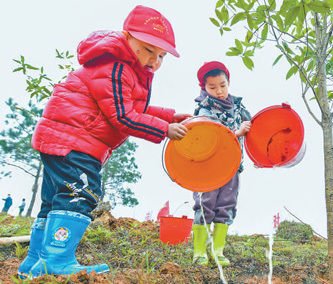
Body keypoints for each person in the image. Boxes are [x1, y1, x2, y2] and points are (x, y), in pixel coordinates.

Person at [18, 5, 189, 279]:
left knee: (54, 201)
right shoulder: (116, 67)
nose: (154, 61)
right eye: (147, 50)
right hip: (76, 141)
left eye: (161, 56)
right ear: (126, 37)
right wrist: (166, 129)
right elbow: (123, 116)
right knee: (79, 195)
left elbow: (132, 107)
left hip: (62, 140)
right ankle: (57, 260)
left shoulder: (124, 69)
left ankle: (35, 264)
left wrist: (170, 115)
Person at [191, 61, 252, 267]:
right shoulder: (204, 111)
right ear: (204, 88)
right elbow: (212, 138)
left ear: (228, 83)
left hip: (232, 166)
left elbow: (255, 128)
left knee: (226, 205)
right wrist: (237, 133)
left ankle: (218, 250)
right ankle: (199, 251)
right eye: (212, 87)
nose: (219, 91)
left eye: (222, 85)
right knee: (205, 204)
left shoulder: (238, 107)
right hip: (207, 168)